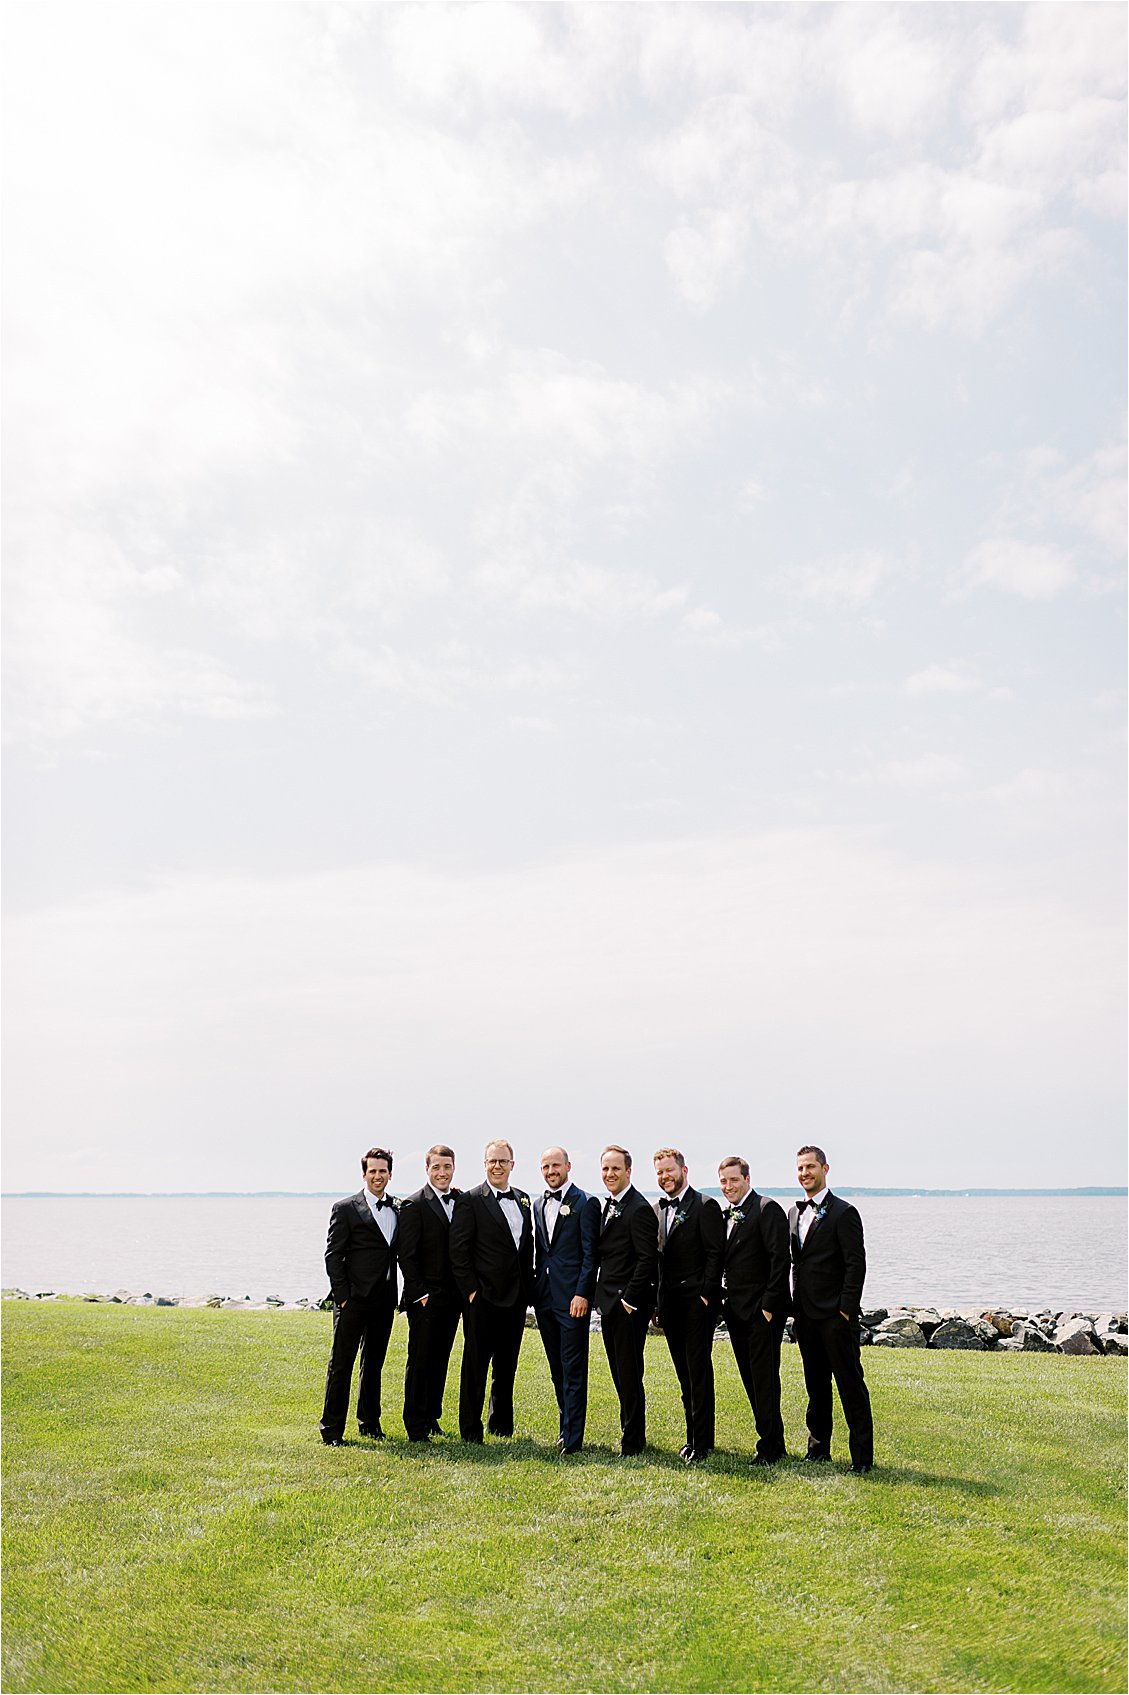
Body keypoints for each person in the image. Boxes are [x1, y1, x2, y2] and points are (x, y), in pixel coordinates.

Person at [789, 1144, 874, 1473]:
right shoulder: (793, 1214)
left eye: (810, 1167)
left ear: (825, 1169)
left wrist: (845, 1311)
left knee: (850, 1386)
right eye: (800, 1168)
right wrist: (795, 1311)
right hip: (806, 1318)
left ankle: (862, 1458)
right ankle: (818, 1448)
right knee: (816, 1386)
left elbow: (856, 1265)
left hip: (836, 1318)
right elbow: (796, 1264)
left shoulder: (844, 1212)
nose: (805, 1173)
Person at [450, 1138, 534, 1443]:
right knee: (475, 1366)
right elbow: (458, 1252)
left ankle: (501, 1424)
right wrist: (471, 1292)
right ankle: (470, 1430)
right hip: (481, 1299)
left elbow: (525, 1251)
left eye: (503, 1161)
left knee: (507, 1365)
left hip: (515, 1299)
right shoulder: (470, 1200)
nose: (497, 1166)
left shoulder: (524, 1199)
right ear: (485, 1165)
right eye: (492, 1161)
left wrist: (529, 1292)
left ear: (512, 1165)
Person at [320, 1147, 400, 1445]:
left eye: (383, 1171)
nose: (377, 1176)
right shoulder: (345, 1208)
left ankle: (369, 1422)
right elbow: (332, 1255)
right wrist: (342, 1297)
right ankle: (331, 1430)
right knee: (341, 1365)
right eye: (372, 1171)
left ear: (390, 1174)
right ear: (364, 1174)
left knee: (374, 1364)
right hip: (352, 1301)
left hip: (383, 1301)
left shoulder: (397, 1208)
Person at [652, 1148, 724, 1465]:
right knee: (683, 1374)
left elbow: (715, 1255)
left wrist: (707, 1295)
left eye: (669, 1170)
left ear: (684, 1170)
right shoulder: (656, 1210)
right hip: (669, 1305)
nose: (665, 1177)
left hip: (697, 1303)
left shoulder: (705, 1206)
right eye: (660, 1172)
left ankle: (702, 1442)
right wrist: (656, 1304)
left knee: (698, 1372)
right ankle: (691, 1435)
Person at [718, 1154, 791, 1465]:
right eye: (723, 1181)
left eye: (734, 1180)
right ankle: (774, 1440)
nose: (729, 1186)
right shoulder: (726, 1215)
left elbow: (780, 1260)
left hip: (762, 1314)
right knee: (750, 1379)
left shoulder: (766, 1209)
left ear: (747, 1179)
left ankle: (770, 1448)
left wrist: (769, 1308)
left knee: (764, 1379)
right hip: (735, 1312)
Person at [533, 1145, 601, 1455]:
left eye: (555, 1166)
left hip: (573, 1300)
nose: (550, 1172)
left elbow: (591, 1254)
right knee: (556, 1368)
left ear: (568, 1166)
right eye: (545, 1167)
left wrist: (583, 1293)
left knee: (573, 1368)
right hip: (545, 1298)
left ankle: (573, 1440)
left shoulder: (585, 1203)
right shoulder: (536, 1205)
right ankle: (565, 1426)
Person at [594, 1145, 659, 1457]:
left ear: (629, 1171)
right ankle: (631, 1431)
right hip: (609, 1303)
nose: (610, 1174)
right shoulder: (611, 1205)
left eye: (615, 1169)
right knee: (620, 1372)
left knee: (630, 1373)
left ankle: (632, 1440)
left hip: (627, 1306)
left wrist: (629, 1301)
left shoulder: (639, 1208)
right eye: (605, 1169)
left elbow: (648, 1260)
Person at [397, 1144, 462, 1443]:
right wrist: (419, 1294)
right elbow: (406, 1256)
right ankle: (415, 1423)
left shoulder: (460, 1200)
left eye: (446, 1167)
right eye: (436, 1167)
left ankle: (432, 1416)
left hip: (452, 1299)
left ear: (453, 1168)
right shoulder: (413, 1205)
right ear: (427, 1169)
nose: (442, 1172)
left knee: (441, 1359)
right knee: (421, 1360)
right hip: (425, 1299)